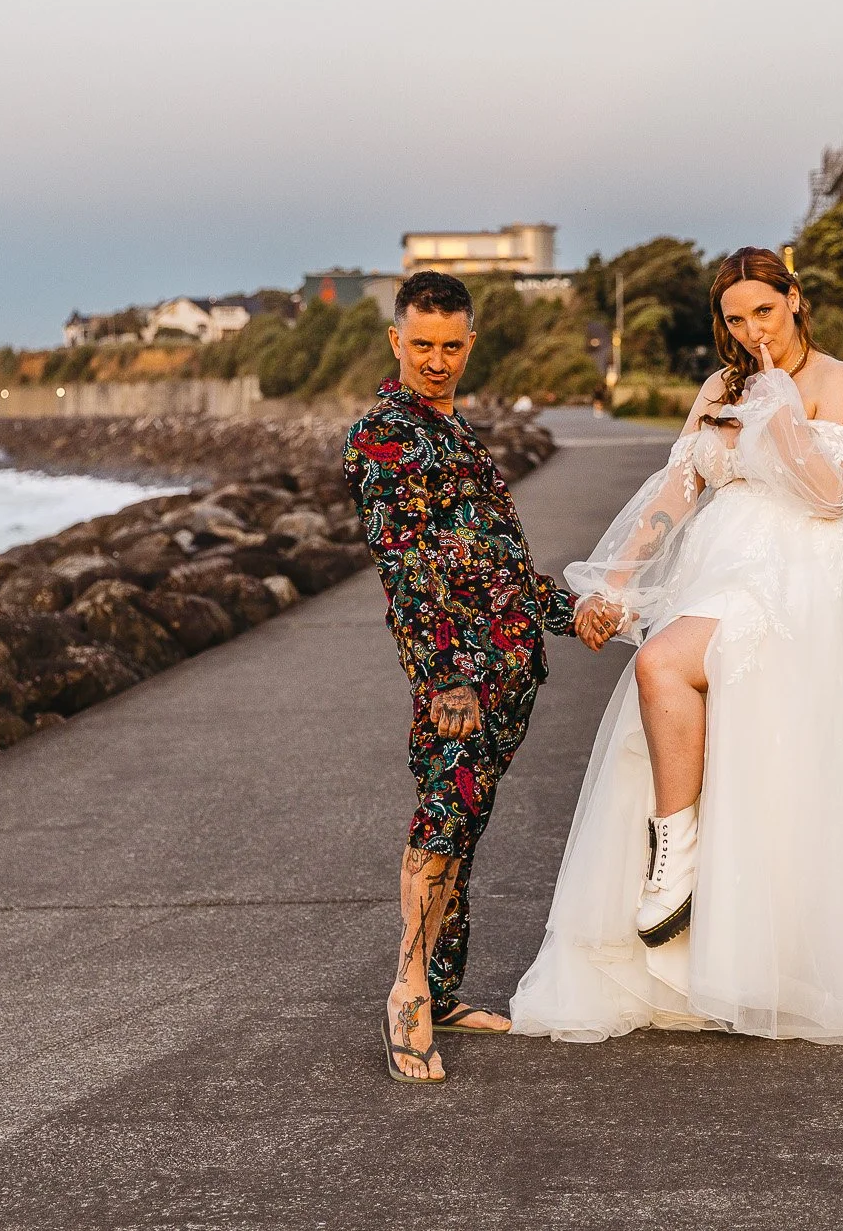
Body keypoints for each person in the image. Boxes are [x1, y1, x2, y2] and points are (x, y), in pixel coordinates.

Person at [511, 247, 843, 1045]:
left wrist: (781, 410)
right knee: (683, 690)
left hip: (798, 574)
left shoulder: (835, 381)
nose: (752, 333)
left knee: (664, 664)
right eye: (736, 320)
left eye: (764, 314)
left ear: (795, 300)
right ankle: (685, 878)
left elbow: (833, 495)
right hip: (720, 569)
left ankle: (687, 865)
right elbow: (680, 488)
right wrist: (619, 581)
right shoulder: (718, 388)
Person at [344, 270, 602, 1084]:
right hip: (457, 678)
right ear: (396, 340)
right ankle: (409, 994)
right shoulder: (386, 435)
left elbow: (501, 570)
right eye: (422, 344)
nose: (436, 360)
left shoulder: (459, 433)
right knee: (444, 814)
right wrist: (444, 677)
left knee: (468, 823)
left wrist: (575, 612)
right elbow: (407, 566)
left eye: (451, 346)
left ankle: (445, 988)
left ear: (470, 342)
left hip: (510, 674)